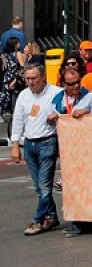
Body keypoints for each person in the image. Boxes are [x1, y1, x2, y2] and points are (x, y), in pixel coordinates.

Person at [10, 64, 61, 235]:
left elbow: (65, 112)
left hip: (48, 142)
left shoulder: (56, 93)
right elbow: (18, 119)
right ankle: (51, 216)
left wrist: (57, 116)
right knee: (39, 187)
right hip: (29, 144)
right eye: (27, 79)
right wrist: (15, 143)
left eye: (34, 78)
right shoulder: (24, 95)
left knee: (44, 185)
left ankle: (37, 220)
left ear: (43, 77)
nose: (30, 82)